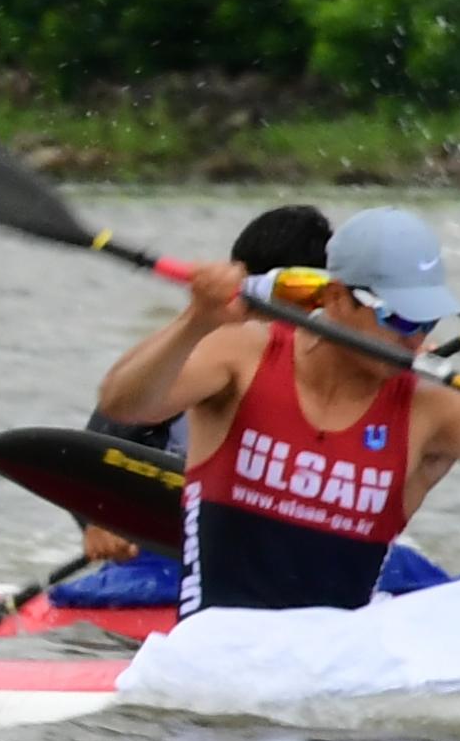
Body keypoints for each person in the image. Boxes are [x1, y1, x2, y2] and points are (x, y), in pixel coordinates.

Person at [96, 205, 460, 614]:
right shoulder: (242, 354)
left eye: (427, 322)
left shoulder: (429, 407)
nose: (415, 339)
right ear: (336, 298)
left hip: (344, 663)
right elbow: (122, 402)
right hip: (218, 651)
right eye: (400, 320)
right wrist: (196, 320)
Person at [80, 202, 335, 572]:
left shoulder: (345, 357)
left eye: (304, 298)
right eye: (275, 297)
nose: (280, 323)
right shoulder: (202, 352)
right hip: (169, 551)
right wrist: (97, 518)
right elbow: (105, 431)